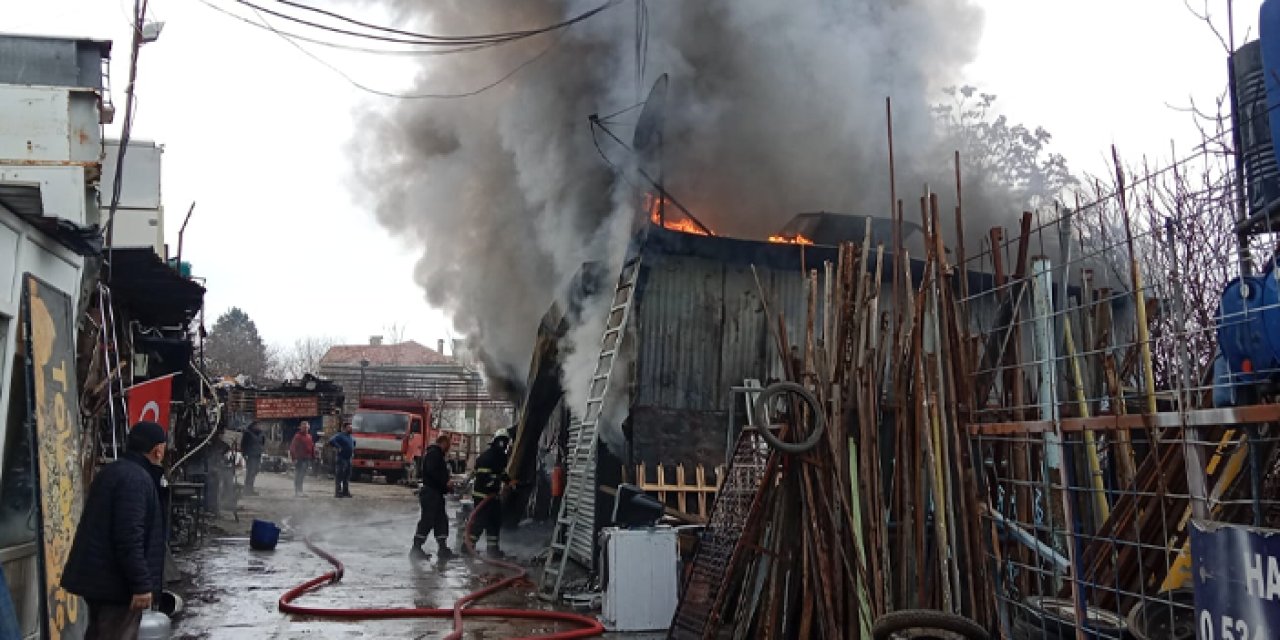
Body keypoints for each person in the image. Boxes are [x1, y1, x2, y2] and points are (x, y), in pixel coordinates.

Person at [62, 421, 168, 640]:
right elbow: (129, 536)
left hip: (101, 581)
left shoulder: (113, 471)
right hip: (117, 586)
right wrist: (140, 584)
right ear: (157, 450)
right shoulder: (136, 480)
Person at [467, 429, 511, 558]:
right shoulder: (487, 457)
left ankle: (493, 550)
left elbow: (501, 473)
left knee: (494, 521)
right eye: (501, 441)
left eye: (505, 442)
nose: (503, 444)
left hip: (493, 496)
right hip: (483, 496)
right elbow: (483, 478)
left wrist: (509, 481)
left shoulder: (501, 456)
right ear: (496, 441)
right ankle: (468, 547)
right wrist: (494, 484)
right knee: (480, 522)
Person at [411, 434, 454, 559]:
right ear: (443, 443)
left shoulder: (437, 455)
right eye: (448, 444)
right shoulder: (434, 454)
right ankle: (416, 549)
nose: (449, 447)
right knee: (427, 520)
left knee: (441, 520)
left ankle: (443, 548)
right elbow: (433, 472)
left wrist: (446, 486)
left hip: (437, 493)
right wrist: (445, 482)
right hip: (431, 493)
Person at [328, 423, 355, 498]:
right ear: (344, 428)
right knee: (340, 475)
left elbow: (353, 444)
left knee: (347, 476)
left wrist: (352, 452)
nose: (351, 429)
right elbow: (331, 440)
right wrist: (338, 447)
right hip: (341, 458)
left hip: (348, 459)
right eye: (349, 427)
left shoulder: (351, 437)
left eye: (351, 427)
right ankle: (338, 492)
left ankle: (345, 492)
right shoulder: (340, 435)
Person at [290, 422, 316, 497]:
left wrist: (313, 457)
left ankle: (300, 491)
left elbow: (312, 447)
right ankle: (297, 492)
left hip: (307, 459)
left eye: (307, 427)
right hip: (300, 459)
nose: (306, 429)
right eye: (304, 427)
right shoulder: (297, 436)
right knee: (299, 475)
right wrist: (294, 458)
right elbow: (293, 447)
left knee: (303, 475)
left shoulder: (309, 436)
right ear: (300, 427)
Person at [241, 422, 265, 495]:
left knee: (255, 471)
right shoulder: (248, 433)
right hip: (250, 455)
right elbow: (243, 444)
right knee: (250, 472)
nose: (259, 426)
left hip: (258, 455)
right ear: (253, 426)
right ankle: (247, 490)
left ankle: (250, 488)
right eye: (258, 425)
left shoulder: (261, 433)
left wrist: (261, 450)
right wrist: (244, 454)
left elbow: (263, 442)